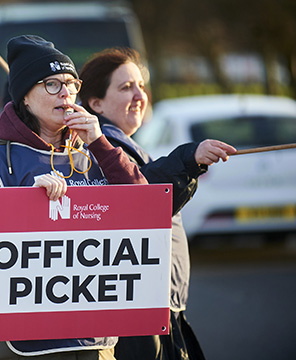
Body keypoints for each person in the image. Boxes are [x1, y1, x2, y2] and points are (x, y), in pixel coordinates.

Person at [0, 35, 148, 360]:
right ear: (25, 96)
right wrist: (28, 204)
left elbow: (147, 211)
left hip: (96, 340)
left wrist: (101, 143)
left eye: (71, 83)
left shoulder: (95, 150)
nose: (66, 93)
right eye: (52, 84)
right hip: (25, 345)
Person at [78, 47, 237, 360]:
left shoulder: (122, 145)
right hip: (137, 315)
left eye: (140, 85)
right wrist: (188, 158)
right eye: (126, 87)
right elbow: (143, 198)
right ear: (95, 103)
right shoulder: (98, 152)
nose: (140, 95)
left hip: (155, 309)